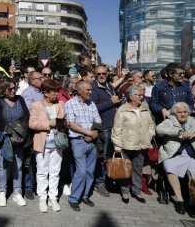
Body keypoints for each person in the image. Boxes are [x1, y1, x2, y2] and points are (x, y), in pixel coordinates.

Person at [156, 102, 195, 216]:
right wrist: (179, 132)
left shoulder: (194, 121)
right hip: (173, 153)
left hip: (193, 154)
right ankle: (179, 199)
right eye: (180, 112)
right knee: (170, 167)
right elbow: (159, 130)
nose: (183, 114)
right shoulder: (169, 120)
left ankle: (192, 203)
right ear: (175, 113)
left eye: (185, 112)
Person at [111, 85, 155, 204]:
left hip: (141, 144)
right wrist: (118, 145)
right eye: (139, 95)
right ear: (131, 97)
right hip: (126, 144)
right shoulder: (122, 110)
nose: (142, 97)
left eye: (142, 95)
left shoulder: (145, 108)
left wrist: (149, 135)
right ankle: (125, 191)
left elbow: (151, 125)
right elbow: (117, 129)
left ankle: (136, 191)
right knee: (125, 169)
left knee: (138, 169)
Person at [29, 79, 65, 212]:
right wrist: (49, 123)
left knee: (55, 172)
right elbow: (32, 124)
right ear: (45, 92)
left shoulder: (60, 104)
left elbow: (64, 121)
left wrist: (63, 123)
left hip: (57, 143)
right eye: (54, 91)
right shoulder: (36, 105)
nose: (57, 94)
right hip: (42, 142)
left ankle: (53, 198)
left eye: (57, 90)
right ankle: (42, 198)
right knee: (42, 171)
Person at [65, 81, 101, 212]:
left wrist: (93, 134)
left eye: (91, 90)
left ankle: (85, 195)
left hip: (92, 141)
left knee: (90, 171)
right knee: (81, 171)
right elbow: (71, 124)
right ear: (79, 91)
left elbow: (98, 121)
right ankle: (74, 198)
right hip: (78, 142)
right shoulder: (70, 104)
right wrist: (88, 133)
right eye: (88, 90)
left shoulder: (92, 104)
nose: (91, 92)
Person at [0, 80, 29, 207]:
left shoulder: (20, 99)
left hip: (19, 139)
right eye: (10, 89)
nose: (13, 91)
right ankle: (2, 192)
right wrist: (11, 129)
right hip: (5, 138)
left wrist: (19, 131)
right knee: (3, 167)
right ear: (3, 90)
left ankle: (17, 192)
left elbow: (26, 117)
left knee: (18, 166)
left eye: (14, 88)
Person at [91, 65, 121, 197]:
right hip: (104, 128)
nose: (102, 75)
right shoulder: (93, 88)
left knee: (110, 157)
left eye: (104, 73)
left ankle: (108, 180)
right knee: (102, 157)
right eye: (99, 74)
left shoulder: (110, 86)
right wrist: (110, 101)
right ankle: (99, 182)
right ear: (95, 75)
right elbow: (92, 108)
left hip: (115, 127)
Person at [21, 71, 44, 200]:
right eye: (40, 78)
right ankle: (28, 187)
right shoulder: (27, 94)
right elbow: (32, 113)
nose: (42, 79)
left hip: (43, 131)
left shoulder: (43, 92)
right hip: (31, 133)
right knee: (29, 161)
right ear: (32, 81)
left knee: (40, 161)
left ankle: (39, 186)